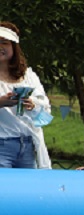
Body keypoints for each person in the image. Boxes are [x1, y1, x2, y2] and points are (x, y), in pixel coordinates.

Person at [0, 22, 50, 169]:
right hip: (2, 145)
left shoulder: (28, 76)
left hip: (28, 145)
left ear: (14, 47)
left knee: (28, 183)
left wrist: (33, 105)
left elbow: (45, 112)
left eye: (4, 43)